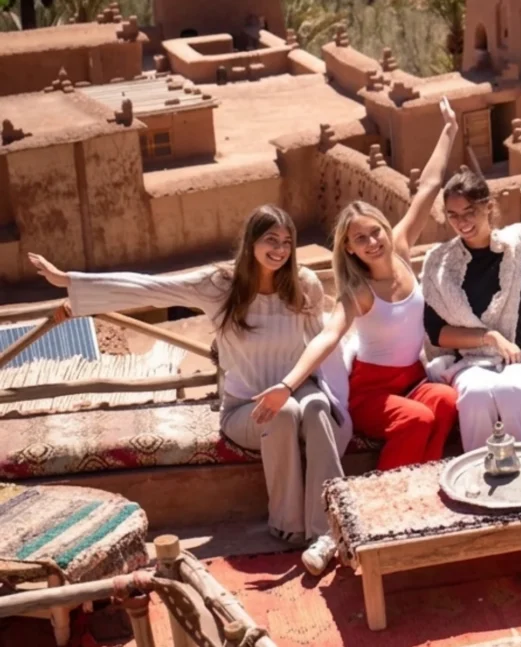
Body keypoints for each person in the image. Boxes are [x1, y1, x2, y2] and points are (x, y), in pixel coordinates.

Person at [28, 205, 350, 575]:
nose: (279, 249)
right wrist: (71, 281)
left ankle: (329, 530)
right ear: (251, 241)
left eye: (287, 242)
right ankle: (290, 526)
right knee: (285, 413)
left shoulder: (303, 284)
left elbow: (322, 341)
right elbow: (152, 287)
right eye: (270, 239)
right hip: (244, 408)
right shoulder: (220, 285)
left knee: (314, 408)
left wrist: (302, 386)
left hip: (296, 386)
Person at [251, 97, 462, 575]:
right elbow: (327, 338)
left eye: (376, 232)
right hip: (371, 392)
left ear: (387, 230)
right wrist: (287, 384)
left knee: (446, 403)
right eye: (360, 239)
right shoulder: (360, 293)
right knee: (412, 421)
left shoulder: (405, 252)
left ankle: (419, 492)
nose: (373, 241)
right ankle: (378, 511)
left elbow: (429, 186)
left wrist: (448, 130)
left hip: (411, 377)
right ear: (349, 248)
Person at [422, 108, 521, 450]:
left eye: (470, 212)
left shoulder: (515, 247)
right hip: (471, 361)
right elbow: (436, 332)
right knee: (474, 396)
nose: (462, 222)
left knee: (512, 390)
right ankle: (479, 479)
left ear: (487, 207)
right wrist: (489, 337)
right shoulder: (439, 264)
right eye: (453, 215)